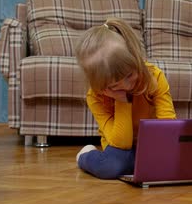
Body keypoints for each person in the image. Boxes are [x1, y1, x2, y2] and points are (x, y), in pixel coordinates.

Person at [74, 17, 176, 179]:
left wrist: (162, 151)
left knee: (176, 160)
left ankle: (139, 163)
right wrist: (122, 100)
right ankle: (86, 156)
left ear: (135, 57)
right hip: (119, 148)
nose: (127, 86)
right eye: (115, 86)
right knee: (111, 167)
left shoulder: (154, 77)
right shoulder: (95, 96)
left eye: (129, 75)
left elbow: (168, 123)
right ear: (101, 85)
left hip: (152, 144)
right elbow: (122, 142)